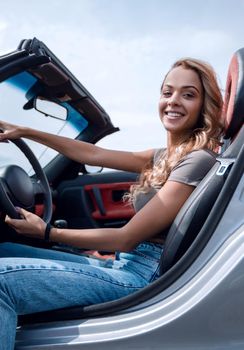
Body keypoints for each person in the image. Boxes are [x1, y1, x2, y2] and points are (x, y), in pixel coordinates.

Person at [0, 58, 223, 349]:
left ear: (204, 105)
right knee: (5, 249)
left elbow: (126, 238)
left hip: (139, 277)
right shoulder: (162, 155)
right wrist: (25, 131)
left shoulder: (196, 161)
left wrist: (47, 233)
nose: (174, 101)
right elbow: (93, 155)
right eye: (168, 92)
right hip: (125, 264)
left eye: (188, 94)